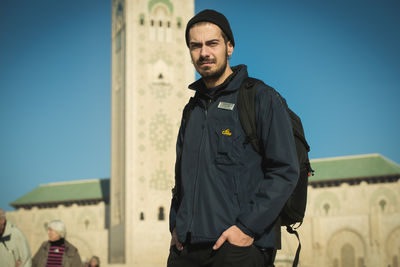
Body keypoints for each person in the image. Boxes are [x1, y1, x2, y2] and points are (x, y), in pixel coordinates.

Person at [168, 9, 299, 267]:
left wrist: (246, 228)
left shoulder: (260, 98)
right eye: (195, 46)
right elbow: (180, 180)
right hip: (185, 251)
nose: (204, 52)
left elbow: (285, 170)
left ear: (229, 47)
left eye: (212, 43)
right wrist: (176, 227)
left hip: (237, 249)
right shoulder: (191, 111)